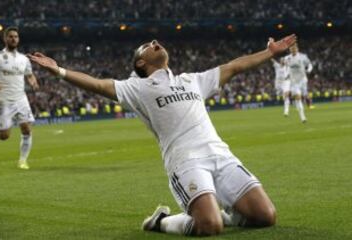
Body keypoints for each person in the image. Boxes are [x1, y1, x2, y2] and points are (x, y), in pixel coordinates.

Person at [28, 34, 296, 236]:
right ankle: (162, 221)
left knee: (266, 216)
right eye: (148, 44)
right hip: (186, 162)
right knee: (208, 226)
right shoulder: (138, 88)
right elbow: (98, 85)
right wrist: (59, 71)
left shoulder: (192, 80)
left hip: (221, 155)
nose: (155, 42)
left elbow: (234, 67)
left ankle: (226, 214)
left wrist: (268, 53)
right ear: (141, 62)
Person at [0, 27, 39, 169]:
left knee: (26, 129)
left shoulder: (24, 59)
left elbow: (29, 74)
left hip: (21, 100)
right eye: (11, 36)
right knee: (4, 135)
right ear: (5, 39)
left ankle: (23, 161)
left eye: (16, 36)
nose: (14, 39)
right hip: (4, 101)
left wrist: (33, 82)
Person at [284, 43, 313, 122]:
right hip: (294, 82)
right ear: (289, 49)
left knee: (304, 95)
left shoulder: (303, 56)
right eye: (291, 48)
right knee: (298, 97)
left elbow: (310, 64)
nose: (293, 49)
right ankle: (303, 117)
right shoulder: (287, 58)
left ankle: (307, 101)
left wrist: (308, 70)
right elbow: (286, 68)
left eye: (294, 48)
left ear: (297, 48)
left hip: (303, 80)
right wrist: (286, 75)